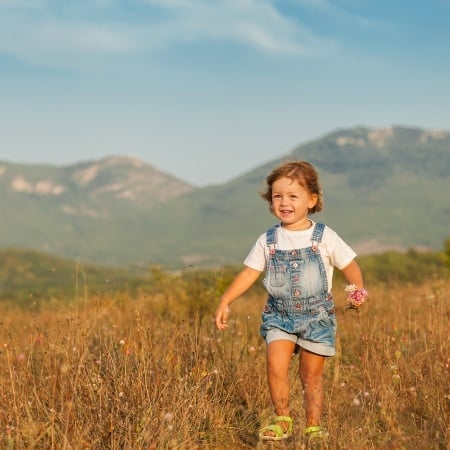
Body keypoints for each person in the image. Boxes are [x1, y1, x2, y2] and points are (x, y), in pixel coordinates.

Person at [214, 160, 367, 445]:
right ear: (270, 200)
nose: (284, 202)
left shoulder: (324, 236)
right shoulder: (269, 239)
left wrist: (357, 289)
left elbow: (351, 265)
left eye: (293, 196)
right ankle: (282, 418)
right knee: (275, 365)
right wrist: (226, 299)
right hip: (279, 317)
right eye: (277, 196)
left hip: (317, 317)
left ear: (311, 199)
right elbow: (249, 273)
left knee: (311, 375)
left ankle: (313, 425)